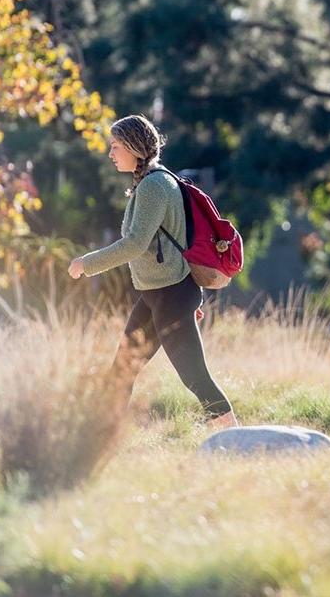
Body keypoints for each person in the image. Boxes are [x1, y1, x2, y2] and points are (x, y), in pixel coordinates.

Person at [67, 113, 239, 430]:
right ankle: (99, 433)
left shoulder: (155, 186)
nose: (111, 153)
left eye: (116, 146)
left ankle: (234, 435)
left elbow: (134, 244)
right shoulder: (151, 183)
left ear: (134, 147)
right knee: (123, 368)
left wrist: (86, 264)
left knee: (194, 375)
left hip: (171, 294)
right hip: (157, 294)